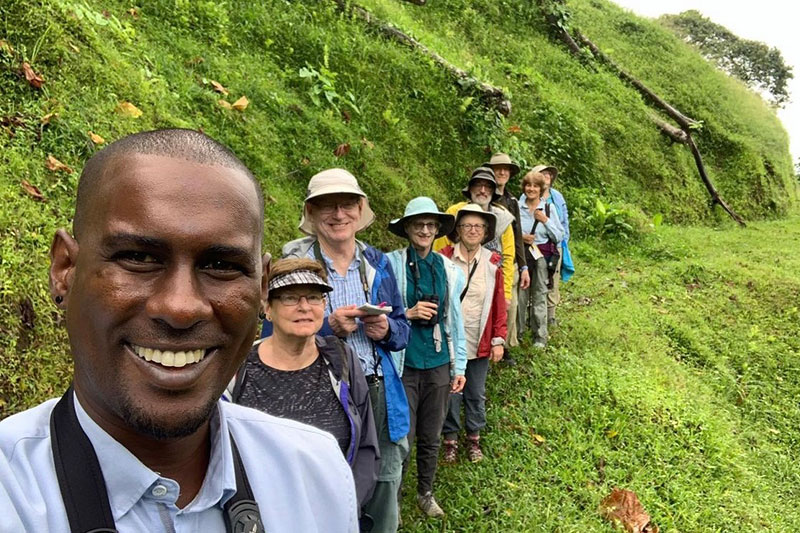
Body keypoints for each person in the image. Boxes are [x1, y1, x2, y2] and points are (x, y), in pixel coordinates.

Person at [0, 129, 358, 532]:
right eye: (137, 257)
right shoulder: (11, 493)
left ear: (260, 290)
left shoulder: (316, 475)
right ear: (65, 270)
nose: (180, 307)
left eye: (221, 266)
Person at [262, 168, 410, 533]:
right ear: (311, 214)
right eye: (327, 206)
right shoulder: (295, 268)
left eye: (347, 204)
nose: (338, 214)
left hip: (378, 391)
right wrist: (329, 329)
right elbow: (270, 337)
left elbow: (403, 331)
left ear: (360, 210)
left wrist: (386, 328)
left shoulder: (378, 263)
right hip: (318, 393)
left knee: (384, 485)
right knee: (321, 485)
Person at [225, 258, 379, 515]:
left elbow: (367, 445)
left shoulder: (341, 360)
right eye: (290, 298)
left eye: (314, 297)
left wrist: (348, 502)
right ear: (268, 308)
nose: (304, 307)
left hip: (332, 513)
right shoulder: (237, 367)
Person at [386, 197, 467, 519]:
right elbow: (379, 312)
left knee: (432, 434)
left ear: (438, 231)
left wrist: (459, 364)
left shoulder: (449, 270)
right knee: (401, 436)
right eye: (418, 224)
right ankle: (394, 496)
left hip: (437, 362)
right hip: (402, 363)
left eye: (430, 225)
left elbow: (455, 321)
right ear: (407, 228)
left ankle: (425, 492)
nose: (424, 230)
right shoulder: (389, 265)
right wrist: (407, 313)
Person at [438, 205, 507, 463]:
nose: (472, 230)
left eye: (478, 226)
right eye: (467, 225)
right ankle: (450, 440)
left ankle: (474, 439)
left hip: (479, 339)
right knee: (451, 392)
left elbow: (499, 304)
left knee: (475, 392)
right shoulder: (443, 258)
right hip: (449, 340)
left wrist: (498, 339)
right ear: (457, 230)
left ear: (485, 232)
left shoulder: (491, 262)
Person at [434, 167, 515, 309]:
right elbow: (439, 251)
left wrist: (506, 294)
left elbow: (508, 257)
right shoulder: (454, 212)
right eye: (478, 185)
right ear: (470, 189)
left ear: (493, 191)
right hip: (457, 281)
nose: (482, 190)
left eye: (488, 186)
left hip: (493, 283)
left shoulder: (503, 218)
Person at [484, 153, 531, 350]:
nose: (502, 172)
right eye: (498, 168)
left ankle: (505, 346)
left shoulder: (512, 200)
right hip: (486, 260)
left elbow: (517, 232)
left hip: (508, 259)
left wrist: (524, 266)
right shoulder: (483, 196)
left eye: (506, 169)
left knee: (509, 304)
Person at [518, 169, 565, 349]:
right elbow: (512, 232)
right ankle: (519, 332)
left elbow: (559, 236)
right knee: (521, 295)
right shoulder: (517, 207)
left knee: (539, 294)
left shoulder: (548, 208)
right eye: (528, 185)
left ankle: (540, 336)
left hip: (542, 258)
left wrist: (545, 220)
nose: (531, 189)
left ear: (541, 188)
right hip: (522, 256)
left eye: (535, 186)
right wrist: (522, 237)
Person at [532, 164, 572, 326]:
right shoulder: (529, 195)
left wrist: (563, 242)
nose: (547, 176)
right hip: (535, 246)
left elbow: (564, 221)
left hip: (555, 245)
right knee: (536, 280)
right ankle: (534, 316)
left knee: (552, 280)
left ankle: (550, 315)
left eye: (549, 174)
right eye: (543, 174)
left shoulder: (557, 197)